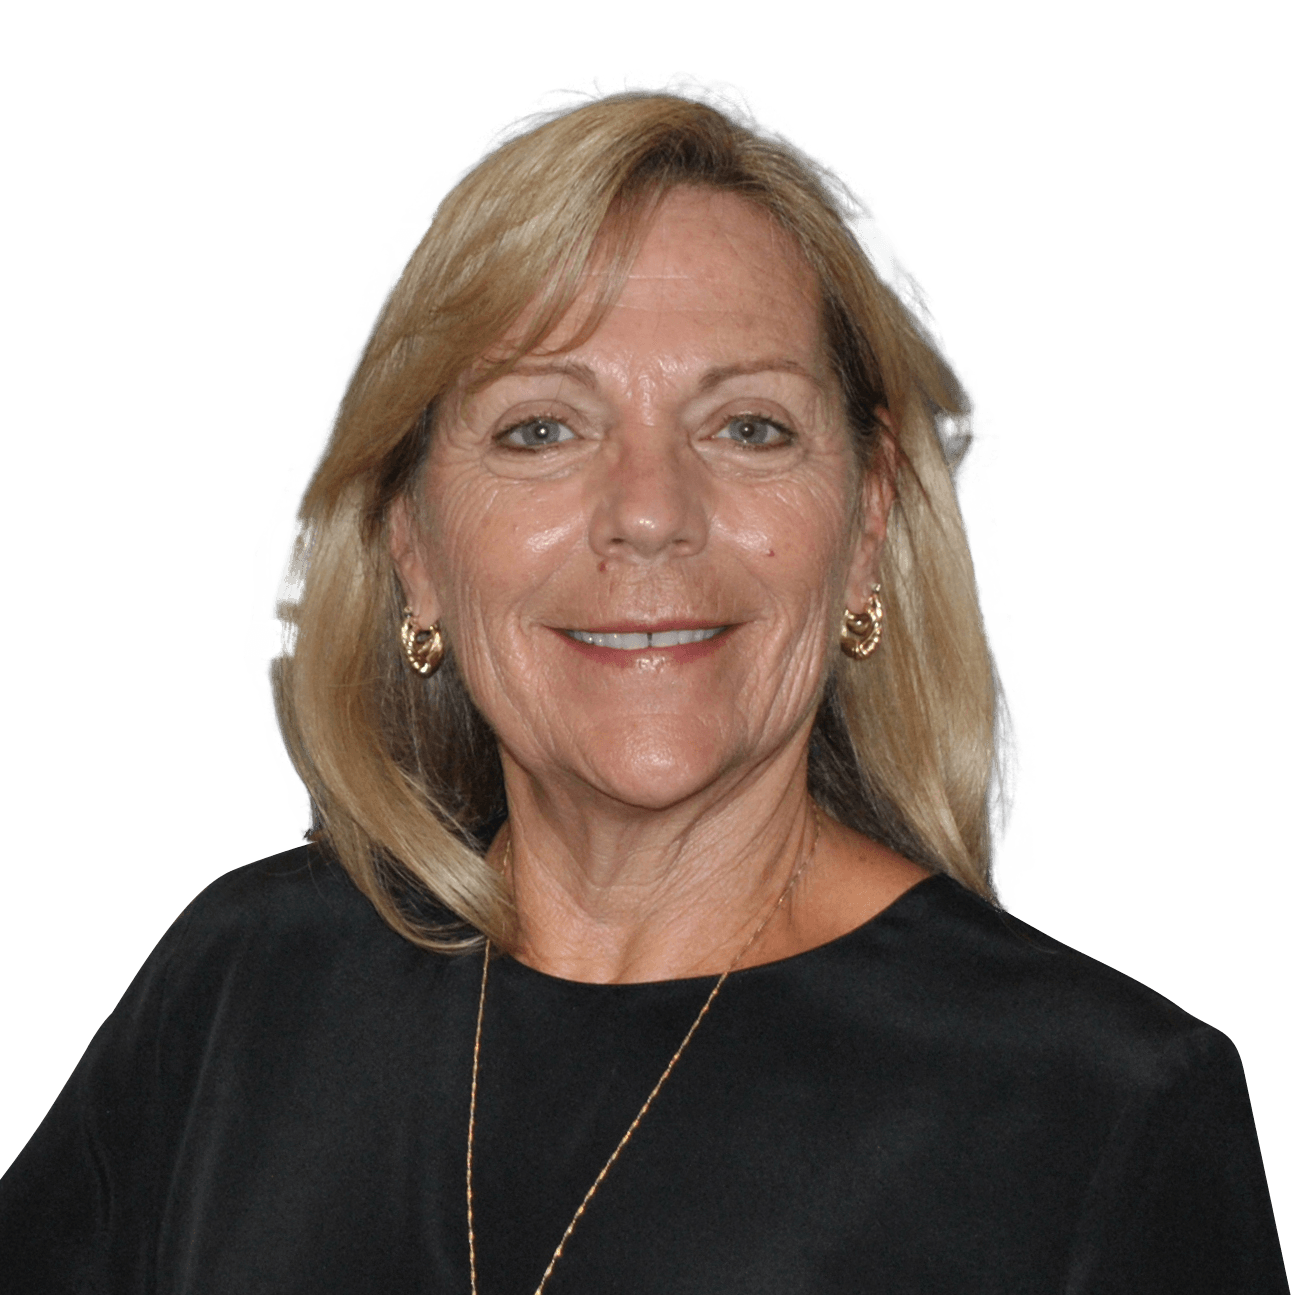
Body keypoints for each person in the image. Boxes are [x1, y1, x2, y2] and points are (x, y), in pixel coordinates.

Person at [1, 89, 1286, 1294]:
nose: (650, 515)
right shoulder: (241, 992)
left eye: (749, 426)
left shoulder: (1098, 1109)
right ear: (413, 547)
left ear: (867, 521)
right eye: (541, 429)